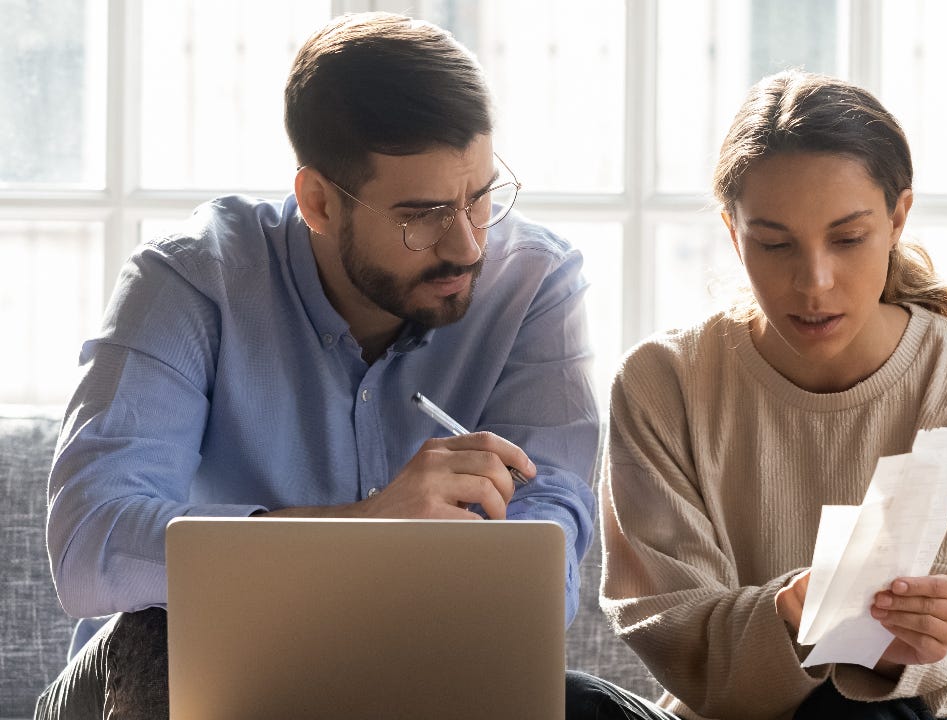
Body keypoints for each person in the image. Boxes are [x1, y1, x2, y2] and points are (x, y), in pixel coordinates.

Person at [36, 12, 605, 718]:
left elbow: (549, 541)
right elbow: (91, 545)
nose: (466, 245)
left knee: (585, 704)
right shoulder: (190, 281)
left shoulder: (535, 285)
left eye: (481, 196)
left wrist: (488, 584)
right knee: (161, 639)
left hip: (405, 665)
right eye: (422, 213)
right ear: (319, 202)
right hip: (157, 679)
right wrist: (365, 529)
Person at [598, 70, 947, 720]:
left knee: (854, 710)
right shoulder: (660, 383)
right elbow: (673, 628)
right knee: (563, 701)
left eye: (848, 238)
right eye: (775, 244)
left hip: (909, 713)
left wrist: (901, 643)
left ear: (897, 219)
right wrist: (785, 617)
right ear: (732, 232)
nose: (814, 282)